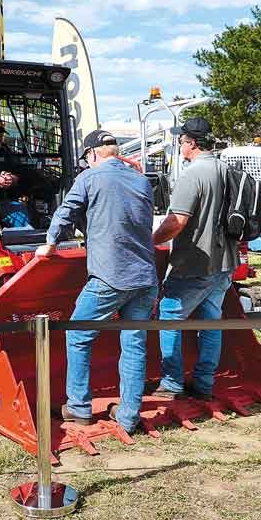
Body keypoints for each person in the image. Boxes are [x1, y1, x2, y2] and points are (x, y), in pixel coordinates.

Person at [35, 129, 158, 434]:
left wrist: (50, 243)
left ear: (91, 155)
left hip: (110, 276)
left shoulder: (90, 178)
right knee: (134, 344)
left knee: (77, 336)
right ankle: (129, 416)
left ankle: (78, 407)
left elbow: (66, 212)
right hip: (145, 276)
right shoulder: (141, 180)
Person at [152, 117, 239, 401]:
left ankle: (172, 383)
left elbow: (177, 221)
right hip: (225, 262)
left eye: (181, 141)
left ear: (190, 143)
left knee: (169, 316)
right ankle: (203, 384)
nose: (179, 145)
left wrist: (147, 240)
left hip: (194, 264)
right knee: (211, 321)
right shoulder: (225, 169)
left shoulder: (192, 175)